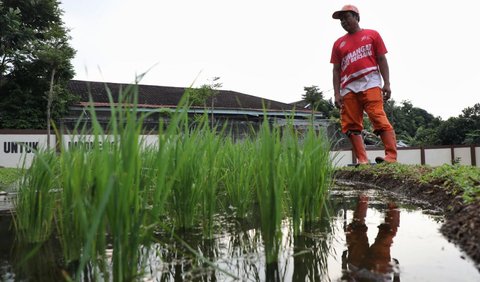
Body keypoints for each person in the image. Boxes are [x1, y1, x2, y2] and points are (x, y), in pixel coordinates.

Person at [330, 4, 397, 164]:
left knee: (377, 116)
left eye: (346, 17)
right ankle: (362, 159)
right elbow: (336, 70)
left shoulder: (372, 35)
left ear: (356, 17)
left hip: (371, 82)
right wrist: (337, 93)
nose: (343, 22)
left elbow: (382, 59)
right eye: (341, 20)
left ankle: (391, 156)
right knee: (350, 124)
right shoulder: (338, 44)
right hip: (348, 88)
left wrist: (387, 83)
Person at [341, 194, 400, 281]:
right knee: (358, 230)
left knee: (386, 235)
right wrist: (344, 264)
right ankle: (365, 195)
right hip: (358, 268)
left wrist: (396, 273)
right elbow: (345, 279)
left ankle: (392, 200)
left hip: (375, 272)